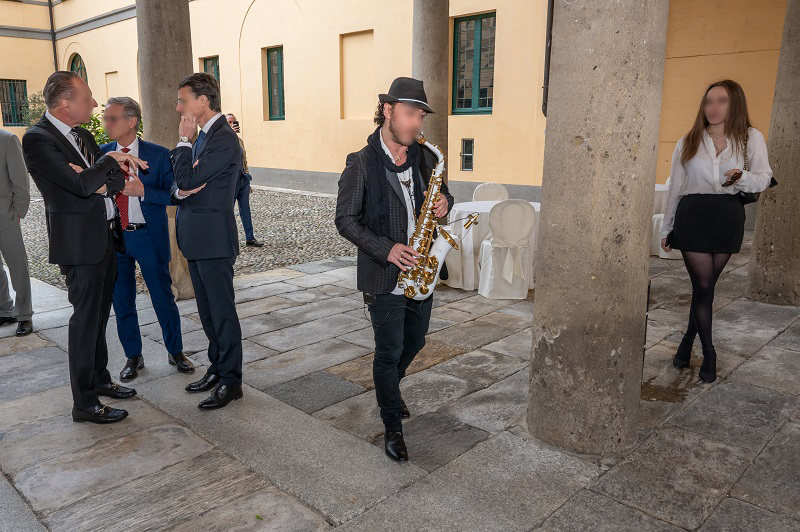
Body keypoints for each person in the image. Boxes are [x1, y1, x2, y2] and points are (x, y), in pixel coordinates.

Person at [335, 77, 453, 461]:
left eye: (420, 115)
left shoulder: (425, 157)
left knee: (415, 342)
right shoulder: (361, 163)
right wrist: (387, 249)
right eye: (410, 114)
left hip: (421, 271)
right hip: (384, 273)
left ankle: (389, 388)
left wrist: (445, 203)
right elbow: (346, 220)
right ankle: (392, 426)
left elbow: (443, 192)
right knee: (388, 353)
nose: (417, 123)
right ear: (387, 111)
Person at [22, 71, 147, 424]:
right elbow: (81, 184)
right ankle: (85, 403)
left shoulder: (83, 134)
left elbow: (112, 181)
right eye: (87, 98)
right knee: (84, 322)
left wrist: (98, 177)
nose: (93, 104)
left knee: (99, 316)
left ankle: (100, 378)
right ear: (65, 104)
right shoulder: (37, 139)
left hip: (105, 236)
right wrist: (104, 166)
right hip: (78, 244)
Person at [661, 79, 773, 383]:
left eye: (721, 100)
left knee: (705, 288)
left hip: (727, 217)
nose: (713, 107)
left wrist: (742, 176)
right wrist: (667, 226)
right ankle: (709, 352)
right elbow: (675, 187)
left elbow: (764, 178)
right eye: (709, 100)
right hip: (692, 216)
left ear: (734, 103)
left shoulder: (751, 138)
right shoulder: (689, 140)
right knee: (704, 285)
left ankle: (686, 344)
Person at [100, 97, 194, 381]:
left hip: (147, 236)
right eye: (105, 118)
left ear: (131, 121)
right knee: (122, 300)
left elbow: (175, 195)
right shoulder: (102, 154)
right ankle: (133, 357)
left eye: (112, 118)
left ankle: (175, 351)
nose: (106, 124)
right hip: (115, 239)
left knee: (162, 297)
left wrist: (143, 191)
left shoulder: (158, 154)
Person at [171, 73, 244, 410]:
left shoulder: (222, 139)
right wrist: (181, 186)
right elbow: (180, 185)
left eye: (183, 100)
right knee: (208, 313)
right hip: (197, 239)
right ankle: (217, 368)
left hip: (214, 240)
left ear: (203, 100)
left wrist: (183, 144)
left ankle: (231, 381)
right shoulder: (204, 136)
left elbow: (188, 176)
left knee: (223, 314)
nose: (178, 107)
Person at [0, 128, 33, 336]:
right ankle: (5, 309)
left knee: (17, 265)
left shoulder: (8, 139)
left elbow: (21, 181)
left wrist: (18, 212)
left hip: (5, 214)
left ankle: (24, 315)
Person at [225, 113, 263, 247]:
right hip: (231, 181)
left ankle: (250, 237)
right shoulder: (224, 141)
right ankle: (228, 239)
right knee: (228, 210)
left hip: (243, 179)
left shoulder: (239, 140)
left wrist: (247, 175)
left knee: (245, 209)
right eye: (229, 122)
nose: (232, 124)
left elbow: (243, 159)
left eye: (234, 122)